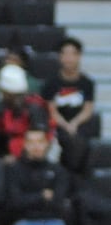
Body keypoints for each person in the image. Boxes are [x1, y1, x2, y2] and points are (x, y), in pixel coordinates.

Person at [41, 37, 100, 177]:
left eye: (72, 54)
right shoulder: (51, 83)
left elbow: (88, 109)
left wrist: (74, 123)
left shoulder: (87, 83)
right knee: (70, 141)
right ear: (60, 57)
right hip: (58, 124)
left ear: (79, 56)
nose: (68, 58)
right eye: (65, 54)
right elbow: (51, 109)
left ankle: (74, 178)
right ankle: (71, 178)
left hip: (80, 124)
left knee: (82, 143)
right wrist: (65, 125)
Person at [0, 63, 51, 161]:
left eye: (3, 92)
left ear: (9, 93)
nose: (2, 95)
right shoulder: (5, 108)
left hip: (31, 157)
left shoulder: (34, 109)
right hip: (8, 155)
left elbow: (40, 141)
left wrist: (18, 159)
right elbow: (0, 133)